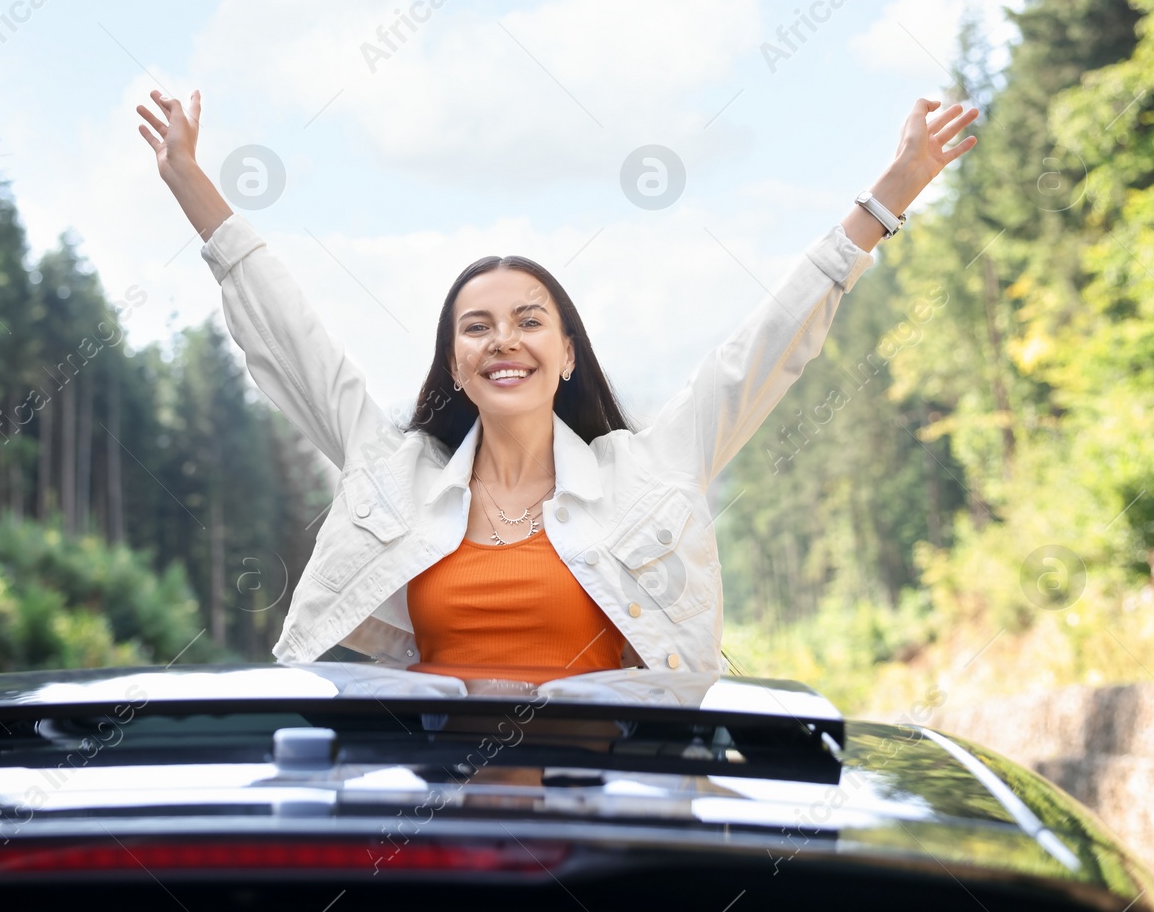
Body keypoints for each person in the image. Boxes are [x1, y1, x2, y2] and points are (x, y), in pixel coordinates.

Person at [137, 91, 977, 684]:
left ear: (567, 353)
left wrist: (888, 195)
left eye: (529, 319)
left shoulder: (648, 472)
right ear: (456, 363)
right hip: (430, 823)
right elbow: (293, 339)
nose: (504, 338)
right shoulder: (395, 472)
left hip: (610, 817)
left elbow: (763, 348)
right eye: (477, 326)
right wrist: (191, 186)